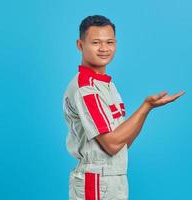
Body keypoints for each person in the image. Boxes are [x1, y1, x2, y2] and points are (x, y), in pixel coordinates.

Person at [62, 14, 185, 200]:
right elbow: (111, 145)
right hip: (96, 180)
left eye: (109, 42)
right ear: (80, 45)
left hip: (113, 177)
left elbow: (122, 144)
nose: (104, 48)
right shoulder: (86, 88)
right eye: (96, 42)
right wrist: (145, 106)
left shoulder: (106, 85)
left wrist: (148, 109)